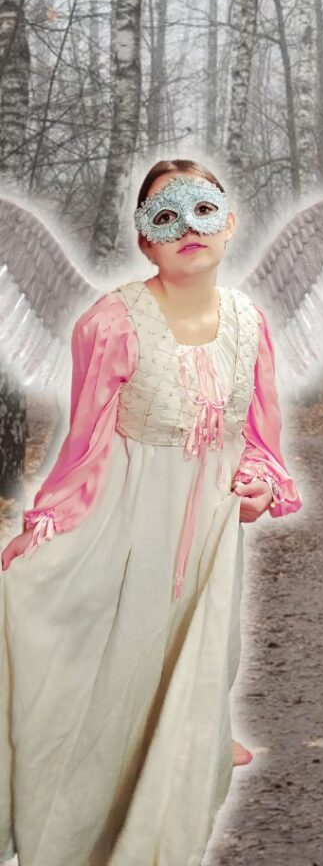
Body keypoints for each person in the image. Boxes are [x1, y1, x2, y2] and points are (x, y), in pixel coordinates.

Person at [0, 159, 303, 865]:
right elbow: (84, 446)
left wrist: (258, 483)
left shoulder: (249, 324)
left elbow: (262, 441)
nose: (186, 230)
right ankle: (75, 816)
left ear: (229, 225)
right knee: (105, 652)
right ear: (144, 242)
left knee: (200, 655)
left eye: (202, 211)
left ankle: (179, 776)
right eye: (163, 218)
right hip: (125, 518)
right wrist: (45, 528)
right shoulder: (113, 322)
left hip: (208, 536)